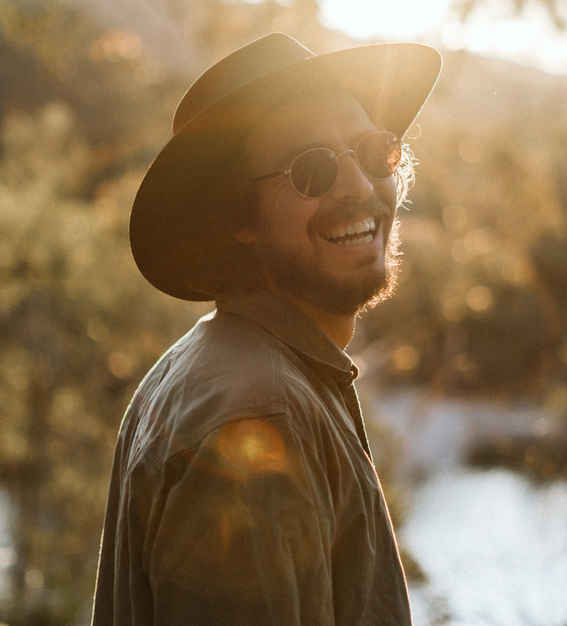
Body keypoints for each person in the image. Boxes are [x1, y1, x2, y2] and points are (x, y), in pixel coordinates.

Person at [92, 32, 441, 626]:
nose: (358, 186)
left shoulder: (223, 361)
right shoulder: (260, 418)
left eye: (374, 150)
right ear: (240, 217)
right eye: (312, 169)